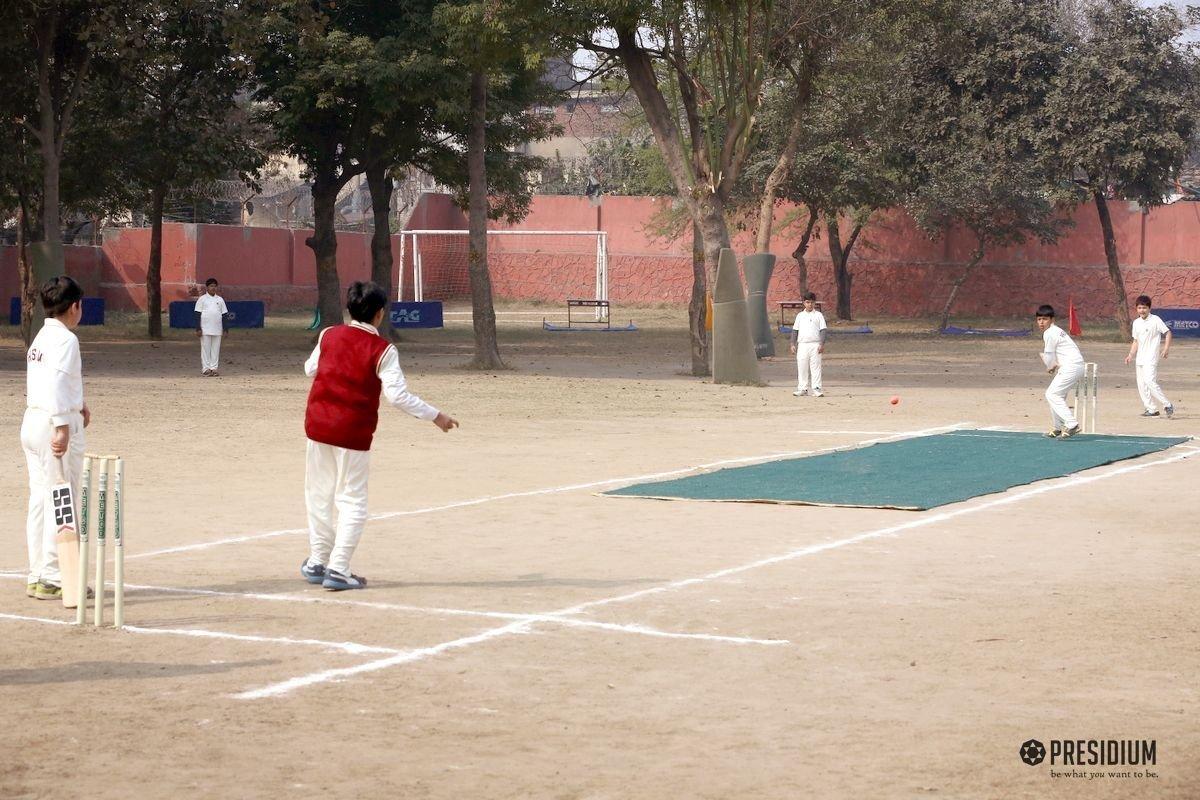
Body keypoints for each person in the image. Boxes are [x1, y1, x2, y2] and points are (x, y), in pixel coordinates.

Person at [301, 281, 459, 591]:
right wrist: (436, 415)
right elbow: (397, 396)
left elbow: (310, 369)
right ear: (379, 314)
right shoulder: (383, 349)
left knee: (318, 494)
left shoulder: (329, 334)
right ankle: (338, 568)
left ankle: (319, 560)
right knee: (352, 501)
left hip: (318, 426)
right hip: (352, 432)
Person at [21, 276, 91, 600]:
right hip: (53, 424)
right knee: (63, 499)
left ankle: (38, 573)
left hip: (33, 421)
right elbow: (58, 383)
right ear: (74, 306)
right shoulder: (66, 340)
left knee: (40, 498)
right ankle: (54, 576)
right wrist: (63, 424)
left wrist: (80, 405)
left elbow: (51, 381)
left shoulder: (40, 338)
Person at [1036, 304, 1085, 438]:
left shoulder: (1050, 333)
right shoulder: (1056, 331)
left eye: (1045, 319)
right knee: (1058, 396)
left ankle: (1072, 424)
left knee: (1052, 395)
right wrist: (1052, 364)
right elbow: (1054, 355)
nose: (1041, 322)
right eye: (1039, 319)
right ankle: (1057, 427)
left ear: (1052, 320)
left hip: (1071, 366)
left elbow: (1050, 355)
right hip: (1074, 366)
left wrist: (1050, 366)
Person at [1124, 295, 1174, 418]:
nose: (1142, 310)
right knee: (1141, 384)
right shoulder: (1136, 323)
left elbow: (1168, 333)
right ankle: (1151, 409)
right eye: (1140, 308)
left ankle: (1167, 404)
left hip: (1151, 357)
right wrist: (1130, 355)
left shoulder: (1155, 320)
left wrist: (1166, 348)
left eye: (1144, 308)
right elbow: (1136, 341)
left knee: (1150, 381)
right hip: (1140, 358)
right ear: (1136, 309)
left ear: (1149, 308)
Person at [790, 292, 827, 397]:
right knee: (802, 366)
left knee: (815, 367)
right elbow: (795, 330)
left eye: (811, 302)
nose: (809, 304)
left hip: (815, 344)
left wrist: (821, 343)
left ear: (814, 303)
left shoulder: (818, 315)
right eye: (807, 302)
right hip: (802, 345)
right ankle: (802, 388)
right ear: (803, 303)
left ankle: (817, 388)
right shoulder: (800, 316)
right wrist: (792, 343)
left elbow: (823, 330)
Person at [194, 278, 230, 376]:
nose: (213, 288)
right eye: (211, 286)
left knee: (215, 349)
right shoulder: (202, 299)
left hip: (217, 329)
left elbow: (224, 315)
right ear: (207, 288)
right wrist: (198, 328)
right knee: (206, 349)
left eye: (215, 286)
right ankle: (206, 368)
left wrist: (226, 329)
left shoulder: (220, 300)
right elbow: (197, 314)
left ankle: (214, 368)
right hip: (205, 329)